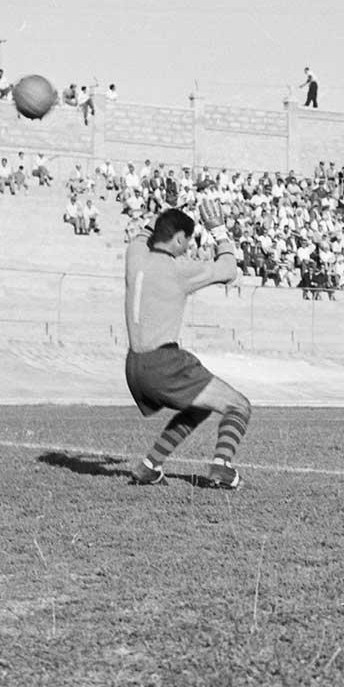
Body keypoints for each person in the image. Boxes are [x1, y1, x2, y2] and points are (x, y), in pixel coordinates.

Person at [123, 208, 251, 488]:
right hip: (163, 362)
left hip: (134, 365)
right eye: (188, 240)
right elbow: (229, 270)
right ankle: (222, 468)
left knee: (199, 407)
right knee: (239, 406)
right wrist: (218, 230)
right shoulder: (177, 269)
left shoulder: (135, 255)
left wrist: (161, 211)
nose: (188, 246)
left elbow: (142, 234)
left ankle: (149, 466)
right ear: (179, 239)